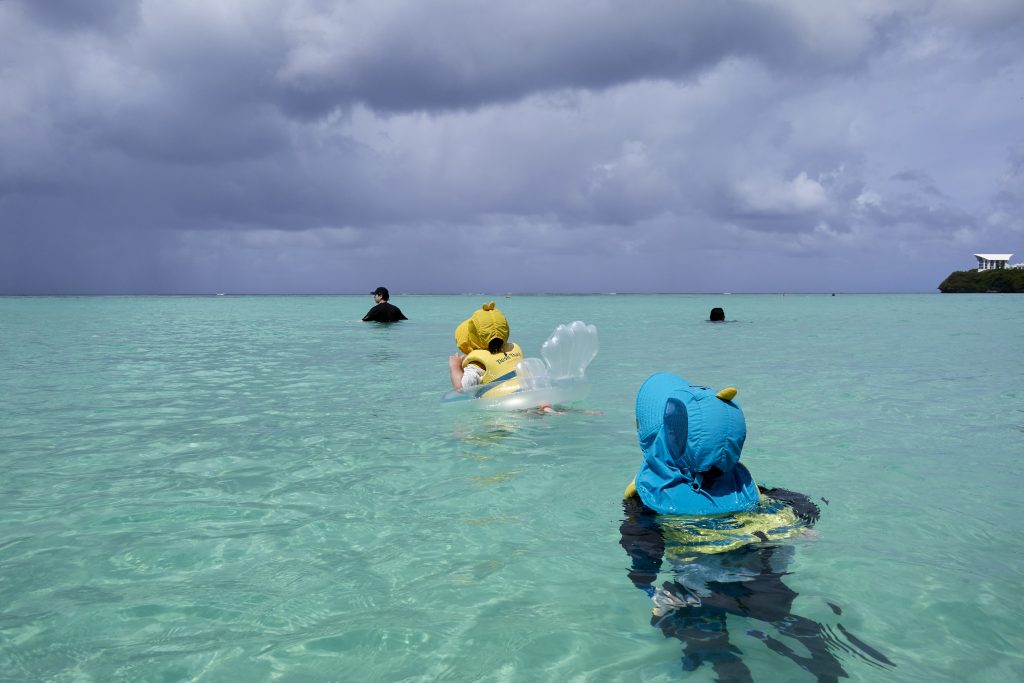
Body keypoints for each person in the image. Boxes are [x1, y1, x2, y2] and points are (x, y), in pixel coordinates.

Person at [620, 372, 893, 679]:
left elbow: (642, 542)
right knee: (779, 614)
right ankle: (825, 662)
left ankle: (727, 664)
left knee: (698, 628)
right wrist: (803, 520)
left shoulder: (648, 498)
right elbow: (794, 501)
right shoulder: (741, 485)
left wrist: (644, 582)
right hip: (760, 565)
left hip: (699, 577)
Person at [448, 302, 523, 390]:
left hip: (501, 400)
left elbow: (462, 388)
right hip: (526, 393)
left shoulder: (477, 364)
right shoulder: (513, 349)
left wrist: (455, 367)